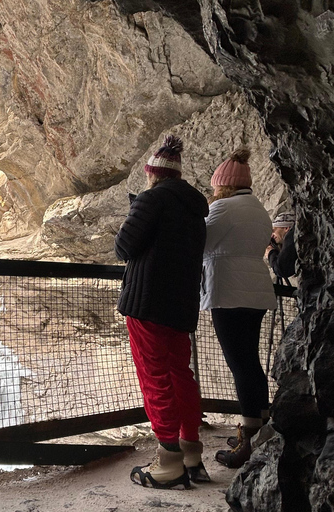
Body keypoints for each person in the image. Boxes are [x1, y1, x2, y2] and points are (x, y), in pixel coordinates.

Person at [115, 135, 209, 489]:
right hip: (180, 305)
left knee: (154, 377)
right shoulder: (195, 210)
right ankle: (191, 452)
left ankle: (168, 462)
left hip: (146, 303)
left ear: (152, 174)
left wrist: (135, 207)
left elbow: (123, 247)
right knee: (179, 374)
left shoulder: (150, 200)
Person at [200, 147, 277, 469]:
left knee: (240, 365)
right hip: (256, 290)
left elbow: (200, 243)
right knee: (251, 363)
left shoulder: (223, 208)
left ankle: (248, 442)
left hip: (229, 291)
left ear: (223, 185)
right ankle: (257, 430)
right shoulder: (258, 209)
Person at [265, 211, 296, 283]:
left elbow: (282, 269)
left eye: (273, 230)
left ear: (286, 228)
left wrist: (271, 253)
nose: (272, 235)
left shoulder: (292, 235)